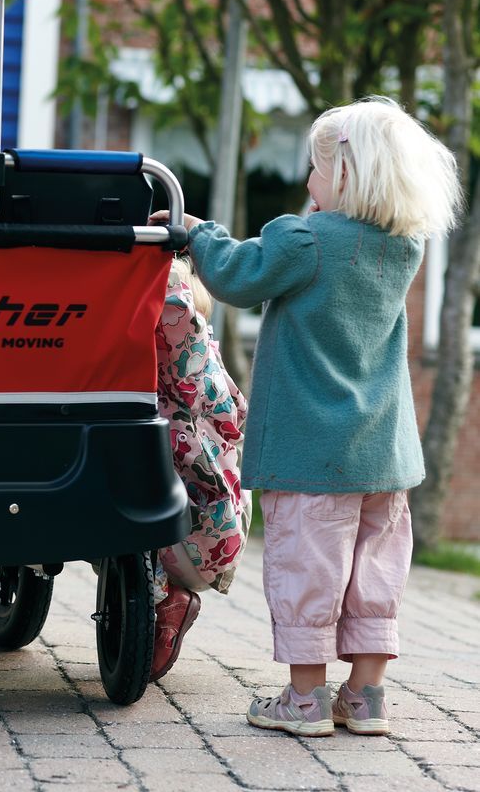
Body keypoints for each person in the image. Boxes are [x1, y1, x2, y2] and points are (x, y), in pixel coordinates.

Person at [155, 96, 462, 737]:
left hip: (311, 448)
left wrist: (197, 236)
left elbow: (240, 277)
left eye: (315, 170)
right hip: (386, 451)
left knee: (308, 565)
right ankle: (366, 697)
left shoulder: (303, 239)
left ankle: (304, 700)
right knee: (375, 569)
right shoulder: (402, 249)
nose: (305, 183)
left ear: (345, 176)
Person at [149, 256, 248, 683]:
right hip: (215, 538)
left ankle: (164, 597)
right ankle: (158, 598)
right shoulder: (214, 375)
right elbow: (236, 416)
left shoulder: (183, 374)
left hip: (192, 537)